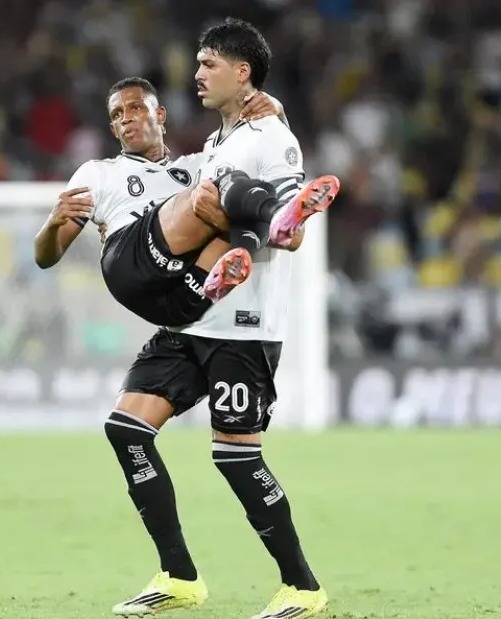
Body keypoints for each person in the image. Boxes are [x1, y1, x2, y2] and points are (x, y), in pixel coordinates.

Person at [107, 18, 335, 619]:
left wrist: (279, 222)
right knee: (127, 430)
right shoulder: (218, 143)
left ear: (242, 73)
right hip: (192, 320)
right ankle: (179, 577)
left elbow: (293, 233)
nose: (197, 73)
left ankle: (302, 588)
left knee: (236, 456)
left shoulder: (270, 136)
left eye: (209, 64)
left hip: (245, 324)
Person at [34, 77, 324, 327]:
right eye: (117, 113)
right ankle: (271, 221)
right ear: (113, 130)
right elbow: (46, 257)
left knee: (247, 200)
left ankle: (273, 225)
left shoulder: (196, 165)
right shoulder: (97, 173)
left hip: (183, 297)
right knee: (214, 192)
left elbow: (267, 155)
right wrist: (51, 225)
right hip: (131, 264)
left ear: (160, 115)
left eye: (135, 107)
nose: (126, 118)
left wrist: (278, 116)